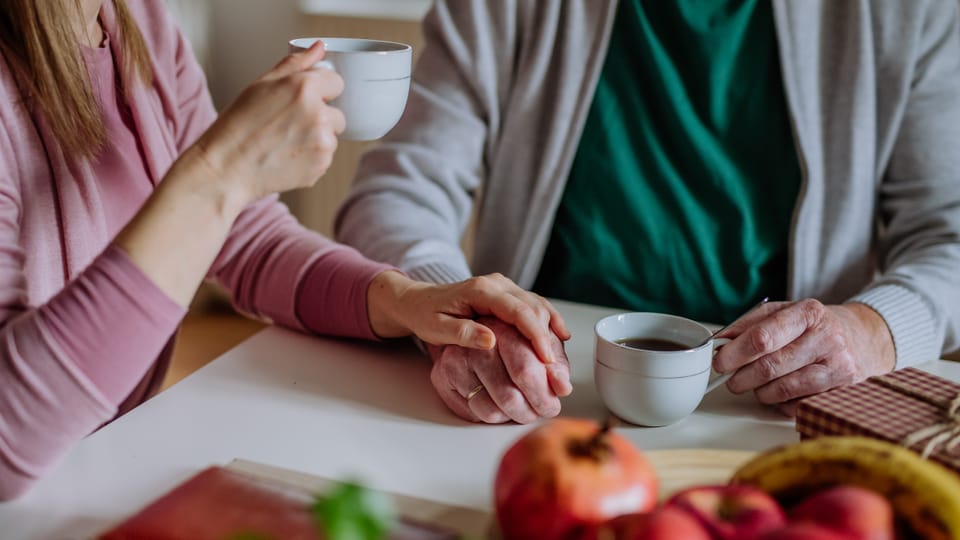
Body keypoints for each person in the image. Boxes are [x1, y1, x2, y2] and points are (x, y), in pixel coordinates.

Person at [0, 0, 570, 499]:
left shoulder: (137, 20)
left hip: (98, 467)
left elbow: (247, 238)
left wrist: (407, 298)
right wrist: (220, 172)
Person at [336, 0, 960, 423]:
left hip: (776, 411)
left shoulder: (911, 13)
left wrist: (875, 331)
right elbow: (395, 191)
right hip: (539, 391)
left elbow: (948, 232)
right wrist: (457, 315)